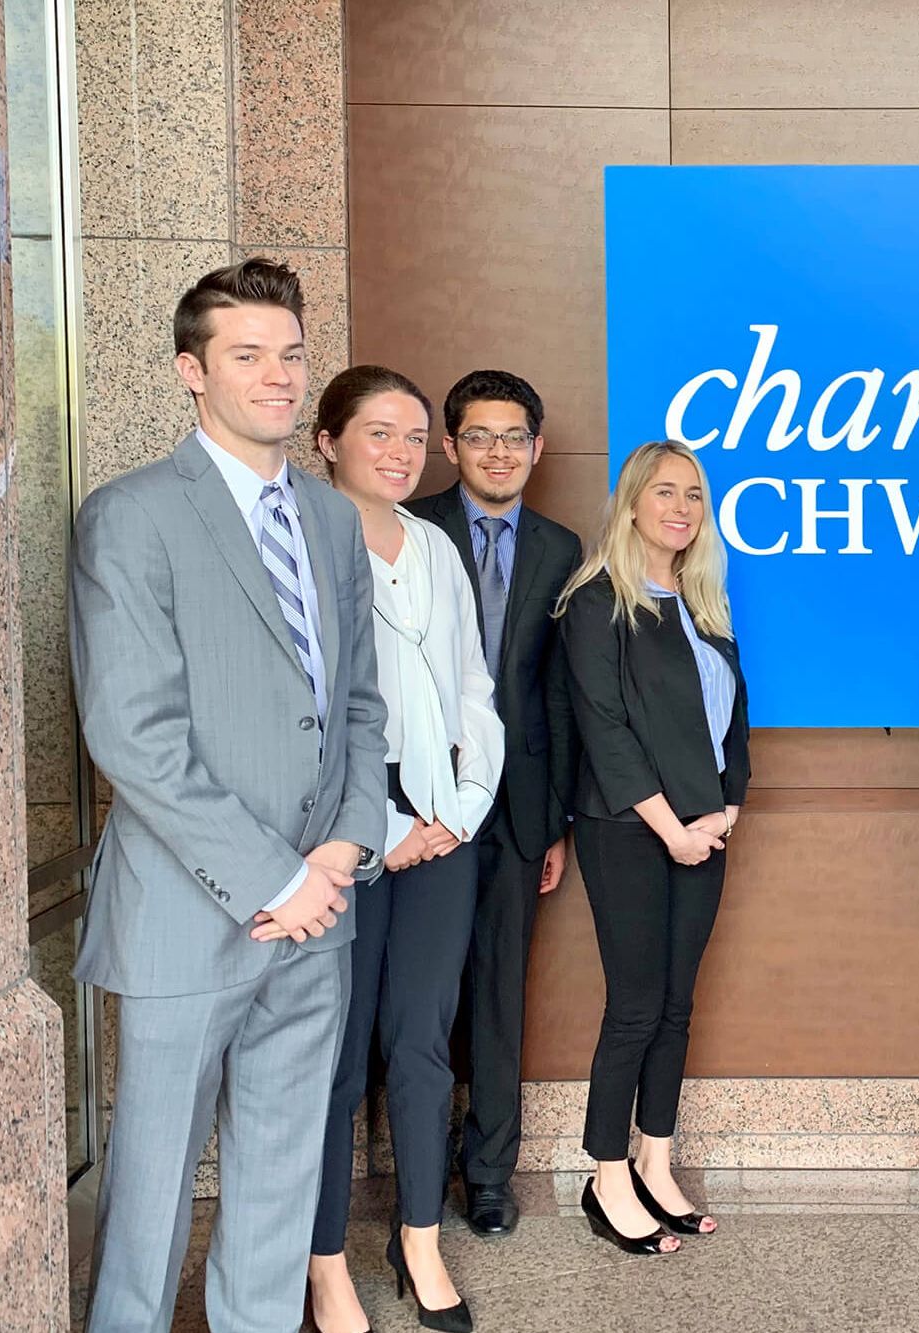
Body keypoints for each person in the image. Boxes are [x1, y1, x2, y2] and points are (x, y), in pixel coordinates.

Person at [69, 258, 388, 1333]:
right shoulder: (131, 516)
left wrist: (341, 852)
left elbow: (355, 705)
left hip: (318, 914)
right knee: (152, 1195)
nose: (279, 376)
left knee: (277, 1187)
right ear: (190, 372)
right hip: (187, 915)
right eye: (247, 355)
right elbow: (133, 732)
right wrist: (272, 877)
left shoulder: (330, 519)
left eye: (292, 354)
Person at [306, 366, 504, 1333]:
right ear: (328, 439)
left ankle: (420, 1237)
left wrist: (461, 812)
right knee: (337, 1061)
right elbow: (301, 716)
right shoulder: (298, 539)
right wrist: (379, 831)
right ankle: (325, 1260)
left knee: (424, 1042)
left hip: (445, 827)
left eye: (414, 436)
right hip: (340, 840)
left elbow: (474, 686)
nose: (399, 451)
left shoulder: (433, 547)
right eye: (378, 431)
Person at [557, 440, 750, 1257]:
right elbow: (605, 729)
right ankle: (606, 1178)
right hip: (629, 831)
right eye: (664, 491)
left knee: (677, 1007)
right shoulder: (596, 601)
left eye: (695, 496)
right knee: (635, 1006)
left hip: (705, 831)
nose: (681, 507)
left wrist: (727, 808)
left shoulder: (703, 599)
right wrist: (672, 827)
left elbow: (732, 721)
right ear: (632, 500)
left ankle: (656, 1163)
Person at [408, 370, 582, 1237]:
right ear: (451, 446)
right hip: (420, 810)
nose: (499, 451)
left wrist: (554, 823)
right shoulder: (411, 528)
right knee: (420, 996)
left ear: (537, 447)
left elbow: (555, 694)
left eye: (515, 436)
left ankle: (487, 1173)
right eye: (480, 435)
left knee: (500, 997)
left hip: (516, 811)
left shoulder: (560, 546)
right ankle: (415, 1165)